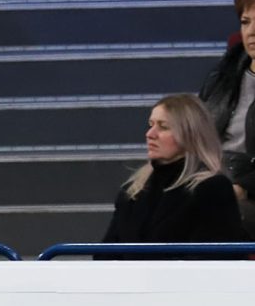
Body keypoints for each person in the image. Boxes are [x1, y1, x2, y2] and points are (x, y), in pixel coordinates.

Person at [101, 95, 245, 253]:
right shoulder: (131, 192)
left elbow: (218, 258)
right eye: (151, 125)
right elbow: (106, 254)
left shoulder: (212, 188)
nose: (150, 134)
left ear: (190, 134)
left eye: (163, 127)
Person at [198, 0, 255, 236]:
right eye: (245, 22)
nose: (251, 31)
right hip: (214, 179)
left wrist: (245, 186)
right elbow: (194, 136)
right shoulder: (222, 78)